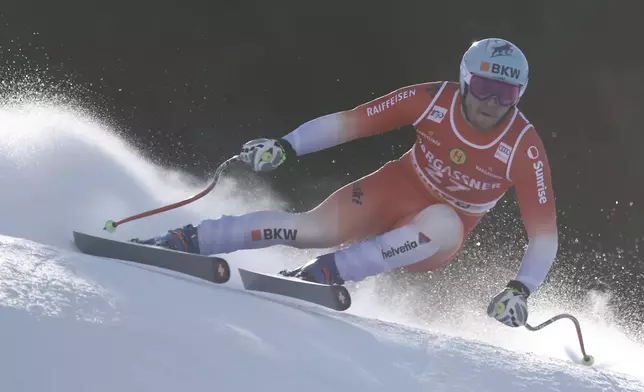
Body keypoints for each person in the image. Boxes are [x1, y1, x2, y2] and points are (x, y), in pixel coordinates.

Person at [133, 38, 558, 329]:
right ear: (466, 80)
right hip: (394, 189)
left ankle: (325, 274)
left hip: (437, 235)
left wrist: (519, 290)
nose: (492, 104)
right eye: (484, 88)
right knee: (309, 229)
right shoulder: (430, 100)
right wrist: (285, 147)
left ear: (519, 96)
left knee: (444, 221)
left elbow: (543, 236)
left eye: (506, 94)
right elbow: (350, 123)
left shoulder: (524, 146)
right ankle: (188, 240)